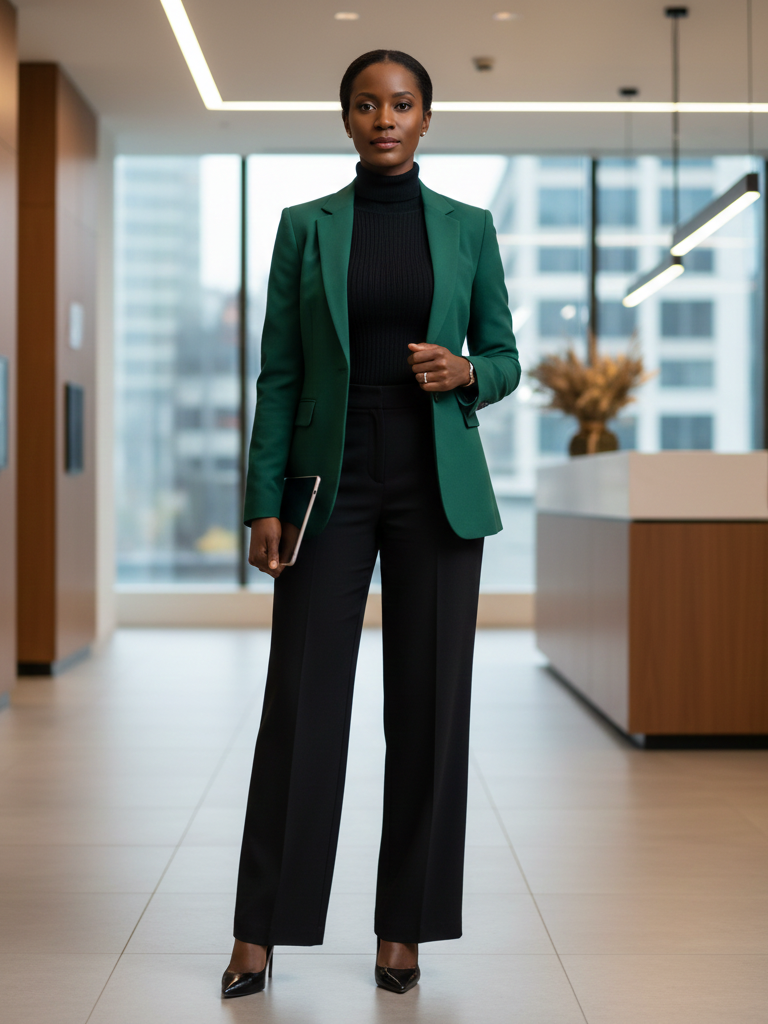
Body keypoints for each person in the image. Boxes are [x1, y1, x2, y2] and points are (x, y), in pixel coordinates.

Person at [222, 48, 519, 999]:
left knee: (431, 711)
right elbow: (279, 374)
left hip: (436, 485)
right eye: (366, 104)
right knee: (301, 709)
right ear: (345, 119)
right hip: (328, 483)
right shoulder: (303, 228)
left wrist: (471, 371)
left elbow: (507, 355)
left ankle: (406, 933)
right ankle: (260, 932)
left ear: (428, 118)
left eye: (401, 104)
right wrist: (264, 500)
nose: (384, 118)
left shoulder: (469, 229)